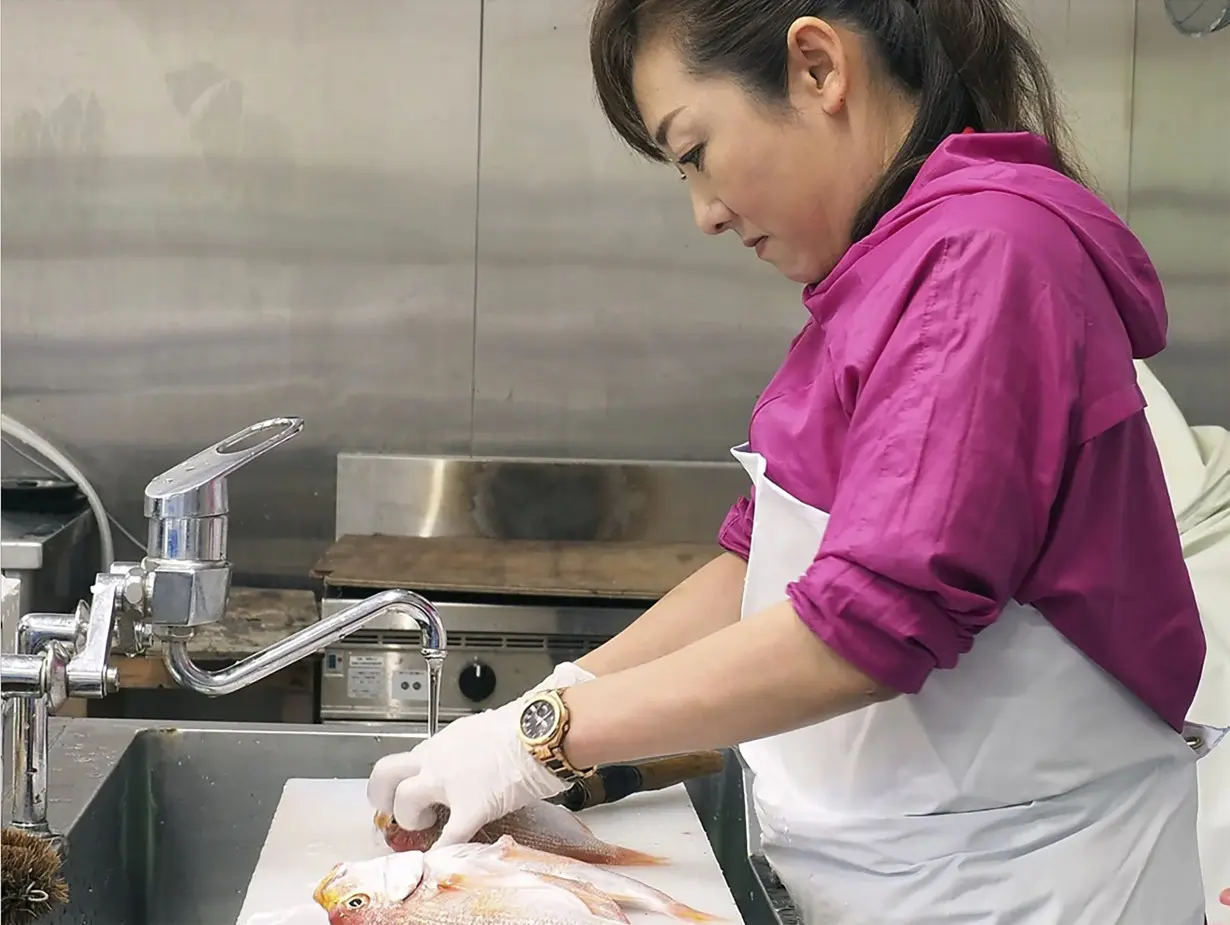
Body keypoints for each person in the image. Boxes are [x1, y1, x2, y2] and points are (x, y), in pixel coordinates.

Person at [367, 1, 1220, 921]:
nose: (704, 211)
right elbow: (756, 569)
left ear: (817, 67)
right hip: (911, 877)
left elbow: (869, 624)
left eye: (693, 150)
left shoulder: (986, 258)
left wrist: (546, 740)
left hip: (1026, 890)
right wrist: (543, 708)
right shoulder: (887, 276)